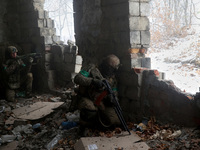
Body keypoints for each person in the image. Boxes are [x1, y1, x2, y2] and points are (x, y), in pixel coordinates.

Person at [74, 54, 121, 129]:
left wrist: (112, 99)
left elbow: (115, 92)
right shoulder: (92, 68)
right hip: (87, 98)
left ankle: (97, 124)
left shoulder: (112, 79)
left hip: (101, 102)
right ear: (104, 63)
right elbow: (77, 78)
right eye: (108, 66)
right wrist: (92, 81)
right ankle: (84, 126)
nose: (109, 69)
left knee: (115, 121)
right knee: (90, 111)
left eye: (112, 67)